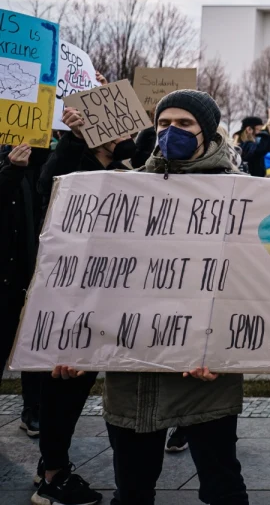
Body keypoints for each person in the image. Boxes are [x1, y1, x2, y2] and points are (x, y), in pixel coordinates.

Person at [63, 90, 251, 505]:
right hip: (132, 376)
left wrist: (222, 353)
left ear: (206, 131)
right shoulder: (127, 189)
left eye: (184, 124)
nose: (171, 132)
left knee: (222, 486)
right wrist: (77, 343)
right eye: (164, 123)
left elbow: (248, 287)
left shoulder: (237, 194)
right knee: (132, 489)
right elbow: (97, 275)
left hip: (203, 378)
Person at [32, 106, 144, 505]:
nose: (123, 134)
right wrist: (76, 137)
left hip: (120, 291)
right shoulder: (71, 163)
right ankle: (53, 475)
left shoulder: (134, 164)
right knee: (65, 383)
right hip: (75, 293)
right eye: (116, 128)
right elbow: (48, 185)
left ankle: (52, 464)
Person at [0, 144, 47, 447]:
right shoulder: (12, 166)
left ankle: (33, 409)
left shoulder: (35, 160)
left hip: (27, 274)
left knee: (32, 346)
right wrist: (11, 172)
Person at [235, 109, 270, 177]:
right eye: (259, 130)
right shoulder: (244, 146)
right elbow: (260, 149)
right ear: (249, 129)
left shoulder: (245, 145)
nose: (260, 133)